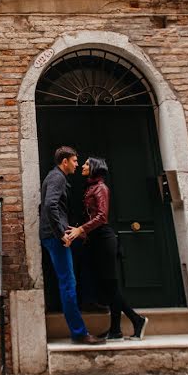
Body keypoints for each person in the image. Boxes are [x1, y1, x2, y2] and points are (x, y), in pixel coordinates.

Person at [64, 157, 149, 341]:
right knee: (108, 287)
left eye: (86, 164)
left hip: (104, 239)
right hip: (95, 240)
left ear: (94, 167)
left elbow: (102, 216)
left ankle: (135, 320)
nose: (83, 166)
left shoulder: (101, 188)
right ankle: (117, 330)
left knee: (110, 286)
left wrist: (81, 229)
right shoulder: (91, 187)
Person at [40, 146, 105, 345]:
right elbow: (50, 206)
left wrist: (64, 226)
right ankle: (79, 333)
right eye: (75, 161)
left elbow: (55, 209)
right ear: (65, 161)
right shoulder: (57, 177)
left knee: (68, 281)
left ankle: (79, 330)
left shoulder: (54, 177)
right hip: (55, 237)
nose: (77, 165)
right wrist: (61, 234)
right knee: (68, 284)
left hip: (53, 234)